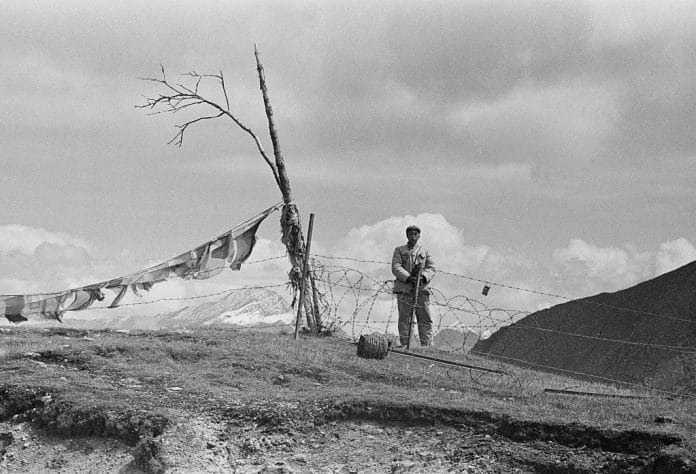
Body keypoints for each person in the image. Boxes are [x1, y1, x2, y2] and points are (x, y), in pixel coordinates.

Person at [391, 225, 436, 347]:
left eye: (415, 234)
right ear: (407, 235)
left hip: (421, 289)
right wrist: (408, 277)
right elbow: (396, 266)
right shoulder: (399, 250)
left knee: (424, 317)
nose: (413, 236)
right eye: (410, 234)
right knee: (405, 317)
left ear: (419, 236)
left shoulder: (425, 252)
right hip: (405, 288)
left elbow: (431, 268)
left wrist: (423, 277)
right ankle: (406, 343)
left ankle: (427, 345)